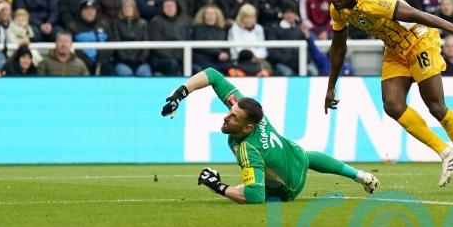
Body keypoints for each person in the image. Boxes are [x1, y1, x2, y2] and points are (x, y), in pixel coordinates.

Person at [324, 0, 453, 194]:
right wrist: (331, 86)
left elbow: (417, 14)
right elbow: (338, 47)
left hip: (419, 40)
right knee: (392, 104)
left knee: (436, 107)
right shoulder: (337, 10)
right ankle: (446, 152)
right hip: (395, 49)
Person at [159, 68, 379, 203]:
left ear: (248, 128)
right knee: (304, 155)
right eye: (230, 112)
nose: (226, 117)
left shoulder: (248, 149)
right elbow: (213, 75)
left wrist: (218, 186)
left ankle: (357, 175)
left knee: (252, 185)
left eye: (234, 118)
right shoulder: (251, 113)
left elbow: (254, 197)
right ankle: (360, 175)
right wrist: (179, 95)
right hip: (295, 158)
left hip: (286, 191)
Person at [110, 0, 152, 76]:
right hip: (122, 61)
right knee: (126, 73)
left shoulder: (143, 24)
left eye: (130, 6)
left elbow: (146, 44)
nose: (127, 9)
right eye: (125, 7)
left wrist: (141, 59)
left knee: (144, 73)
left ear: (134, 8)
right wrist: (125, 59)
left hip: (140, 62)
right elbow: (117, 43)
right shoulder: (116, 24)